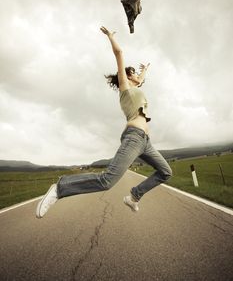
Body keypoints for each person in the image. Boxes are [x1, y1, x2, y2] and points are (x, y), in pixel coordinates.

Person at [36, 27, 172, 218]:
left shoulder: (136, 85)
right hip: (134, 137)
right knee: (107, 181)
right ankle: (60, 188)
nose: (136, 76)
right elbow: (119, 53)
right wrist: (111, 37)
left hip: (146, 142)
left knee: (165, 172)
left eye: (135, 74)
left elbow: (140, 80)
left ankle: (134, 196)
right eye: (133, 72)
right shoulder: (125, 87)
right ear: (127, 76)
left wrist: (145, 70)